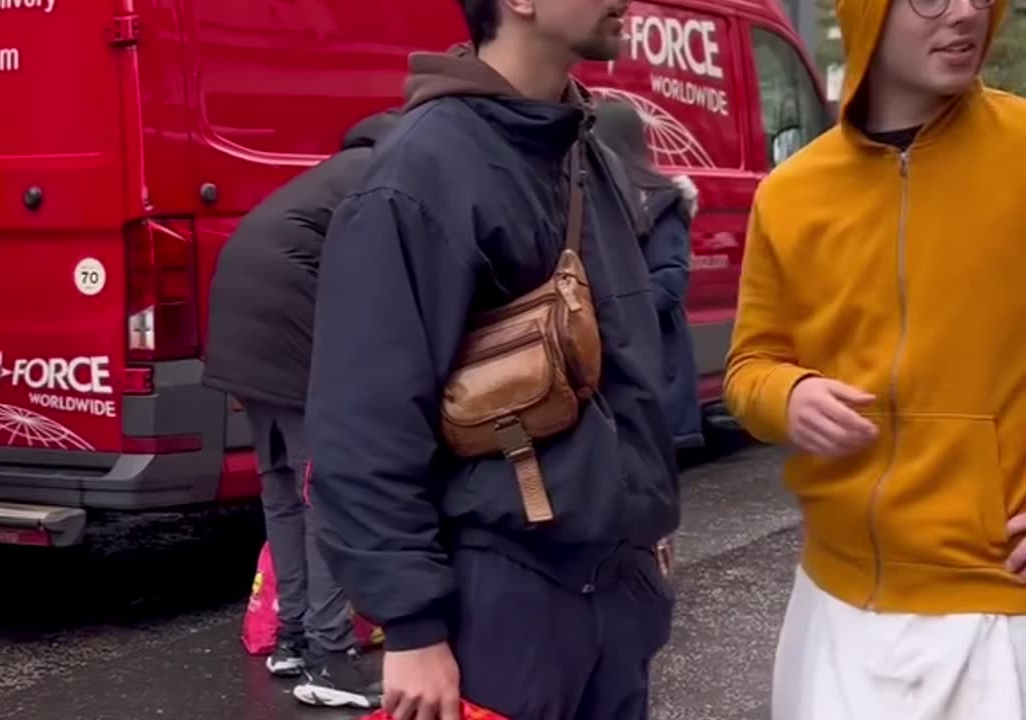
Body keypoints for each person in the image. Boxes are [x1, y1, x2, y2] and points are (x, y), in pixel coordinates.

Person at [305, 0, 681, 717]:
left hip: (612, 591)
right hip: (503, 608)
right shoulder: (423, 169)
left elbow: (629, 360)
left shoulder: (584, 148)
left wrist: (648, 520)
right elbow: (365, 420)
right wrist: (413, 629)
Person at [723, 0, 1026, 717]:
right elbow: (749, 366)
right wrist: (788, 396)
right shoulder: (792, 195)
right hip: (834, 606)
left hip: (998, 609)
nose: (965, 15)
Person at [202, 110, 399, 709]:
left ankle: (291, 638)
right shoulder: (380, 176)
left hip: (240, 323)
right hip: (288, 331)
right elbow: (379, 286)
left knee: (283, 491)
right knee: (329, 492)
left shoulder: (331, 174)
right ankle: (329, 656)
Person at [592, 99, 703, 452]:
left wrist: (609, 310)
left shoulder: (660, 201)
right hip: (614, 362)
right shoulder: (594, 196)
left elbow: (669, 283)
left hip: (652, 359)